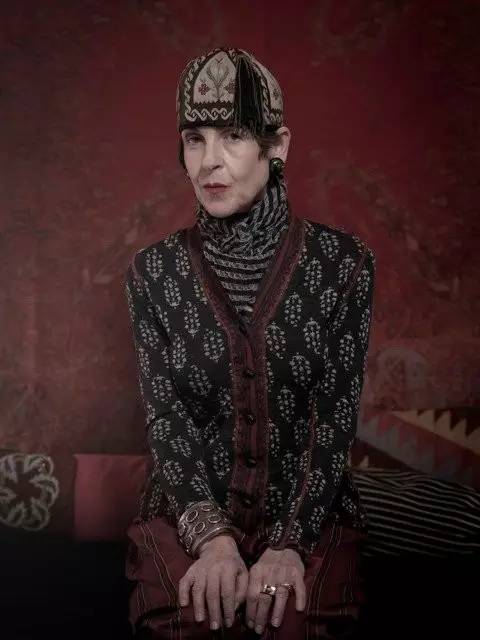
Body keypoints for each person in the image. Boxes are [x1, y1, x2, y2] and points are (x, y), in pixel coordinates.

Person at [124, 46, 375, 639]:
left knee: (290, 622)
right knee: (196, 620)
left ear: (277, 146)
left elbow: (333, 418)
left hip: (308, 514)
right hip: (188, 509)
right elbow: (167, 419)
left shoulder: (343, 265)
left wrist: (289, 545)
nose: (209, 161)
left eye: (233, 136)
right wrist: (212, 541)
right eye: (195, 139)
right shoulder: (152, 273)